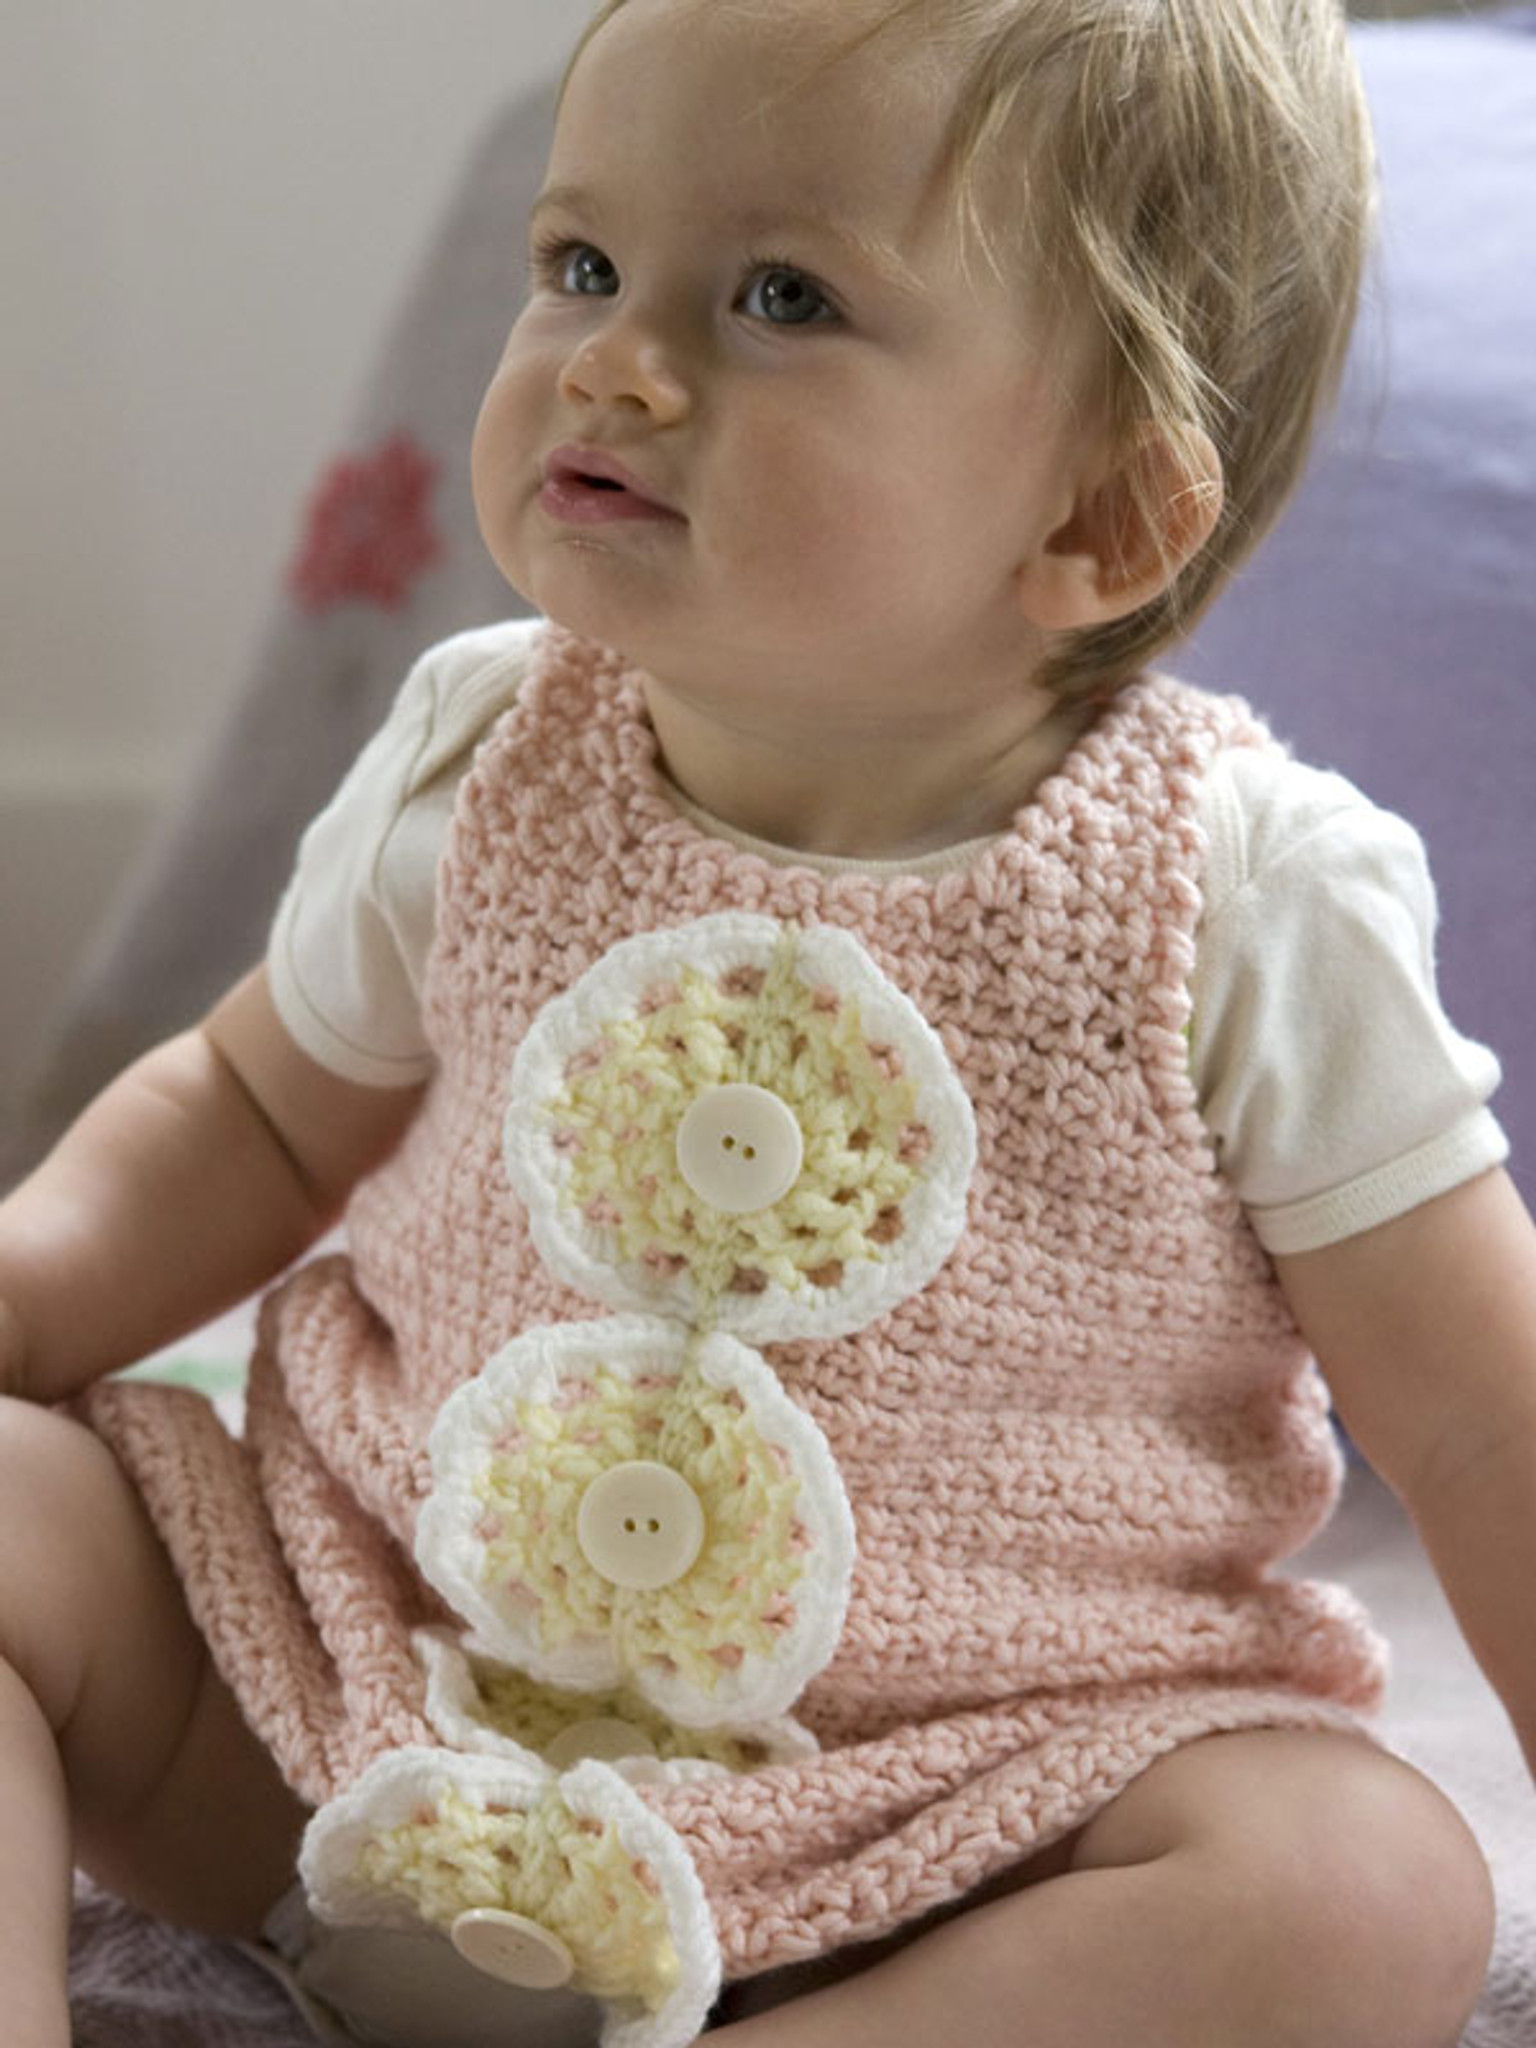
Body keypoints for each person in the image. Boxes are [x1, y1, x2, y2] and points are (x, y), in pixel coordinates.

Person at [1, 0, 1530, 2042]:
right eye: (583, 266)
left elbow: (1481, 1417)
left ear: (1100, 522)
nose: (613, 360)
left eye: (782, 297)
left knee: (1363, 1887)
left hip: (950, 1820)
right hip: (358, 1706)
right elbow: (252, 1118)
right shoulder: (482, 752)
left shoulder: (1244, 897)